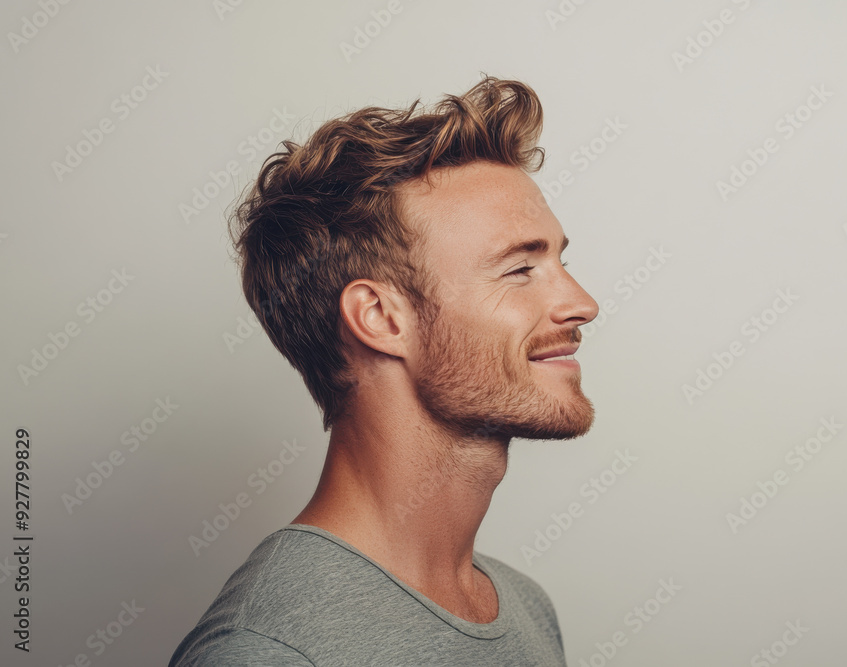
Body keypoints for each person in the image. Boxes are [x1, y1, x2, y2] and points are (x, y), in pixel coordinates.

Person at [169, 75, 600, 666]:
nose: (582, 303)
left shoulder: (525, 606)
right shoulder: (268, 651)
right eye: (519, 269)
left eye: (559, 262)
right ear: (379, 318)